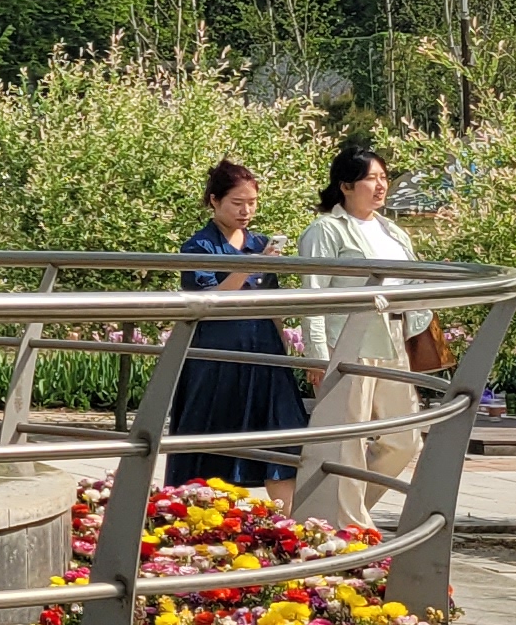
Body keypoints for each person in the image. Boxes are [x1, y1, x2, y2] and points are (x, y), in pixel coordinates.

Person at [293, 145, 429, 526]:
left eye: (384, 177)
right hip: (348, 340)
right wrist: (318, 356)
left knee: (404, 439)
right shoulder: (325, 230)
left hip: (393, 335)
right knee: (347, 441)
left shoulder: (392, 230)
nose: (381, 185)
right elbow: (313, 295)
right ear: (346, 185)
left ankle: (333, 513)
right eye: (371, 178)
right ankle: (349, 524)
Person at [166, 163, 308, 498]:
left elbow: (272, 301)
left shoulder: (259, 242)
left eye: (252, 203)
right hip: (218, 356)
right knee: (212, 441)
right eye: (237, 203)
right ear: (214, 201)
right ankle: (199, 514)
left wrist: (284, 347)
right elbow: (207, 301)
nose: (246, 211)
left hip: (264, 352)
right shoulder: (199, 246)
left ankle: (289, 522)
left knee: (282, 438)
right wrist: (251, 265)